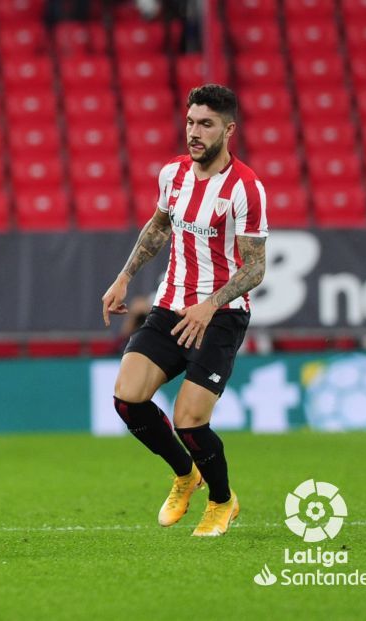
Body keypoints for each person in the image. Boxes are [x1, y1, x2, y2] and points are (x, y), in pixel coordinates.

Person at [101, 84, 267, 537]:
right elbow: (158, 227)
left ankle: (221, 500)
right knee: (127, 397)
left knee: (190, 419)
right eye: (191, 122)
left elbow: (257, 267)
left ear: (228, 130)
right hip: (171, 304)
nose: (194, 132)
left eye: (206, 125)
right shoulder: (172, 174)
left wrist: (211, 305)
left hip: (222, 313)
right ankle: (185, 474)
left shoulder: (245, 189)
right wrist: (124, 277)